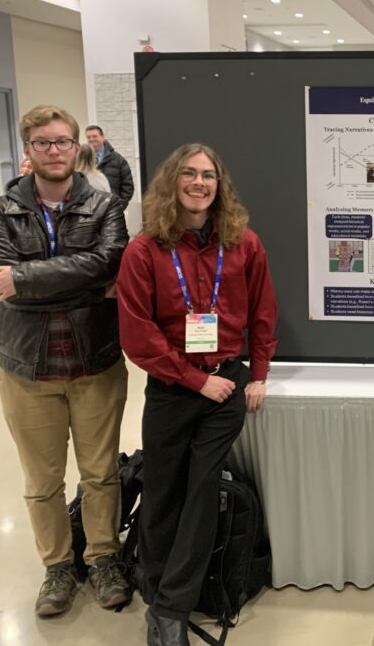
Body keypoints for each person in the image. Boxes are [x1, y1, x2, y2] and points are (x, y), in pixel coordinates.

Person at [117, 143, 278, 646]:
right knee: (164, 493)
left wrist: (259, 373)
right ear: (173, 183)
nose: (199, 182)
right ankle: (157, 589)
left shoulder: (244, 243)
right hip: (172, 388)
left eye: (208, 175)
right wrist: (193, 380)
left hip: (226, 384)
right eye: (189, 173)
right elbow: (138, 334)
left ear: (219, 186)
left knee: (202, 491)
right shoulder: (144, 250)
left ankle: (169, 610)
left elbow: (263, 312)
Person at [0, 104, 131, 618]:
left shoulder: (105, 207)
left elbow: (110, 262)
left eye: (63, 141)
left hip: (96, 363)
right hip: (27, 368)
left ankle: (105, 557)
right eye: (42, 142)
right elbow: (6, 286)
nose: (53, 150)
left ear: (77, 148)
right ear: (28, 149)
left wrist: (26, 278)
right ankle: (57, 567)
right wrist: (80, 283)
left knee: (101, 473)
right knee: (43, 482)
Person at [85, 125, 135, 209]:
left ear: (102, 137)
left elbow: (128, 186)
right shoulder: (83, 160)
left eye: (94, 136)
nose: (91, 139)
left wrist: (119, 207)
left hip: (111, 209)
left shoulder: (118, 160)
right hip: (89, 211)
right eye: (88, 137)